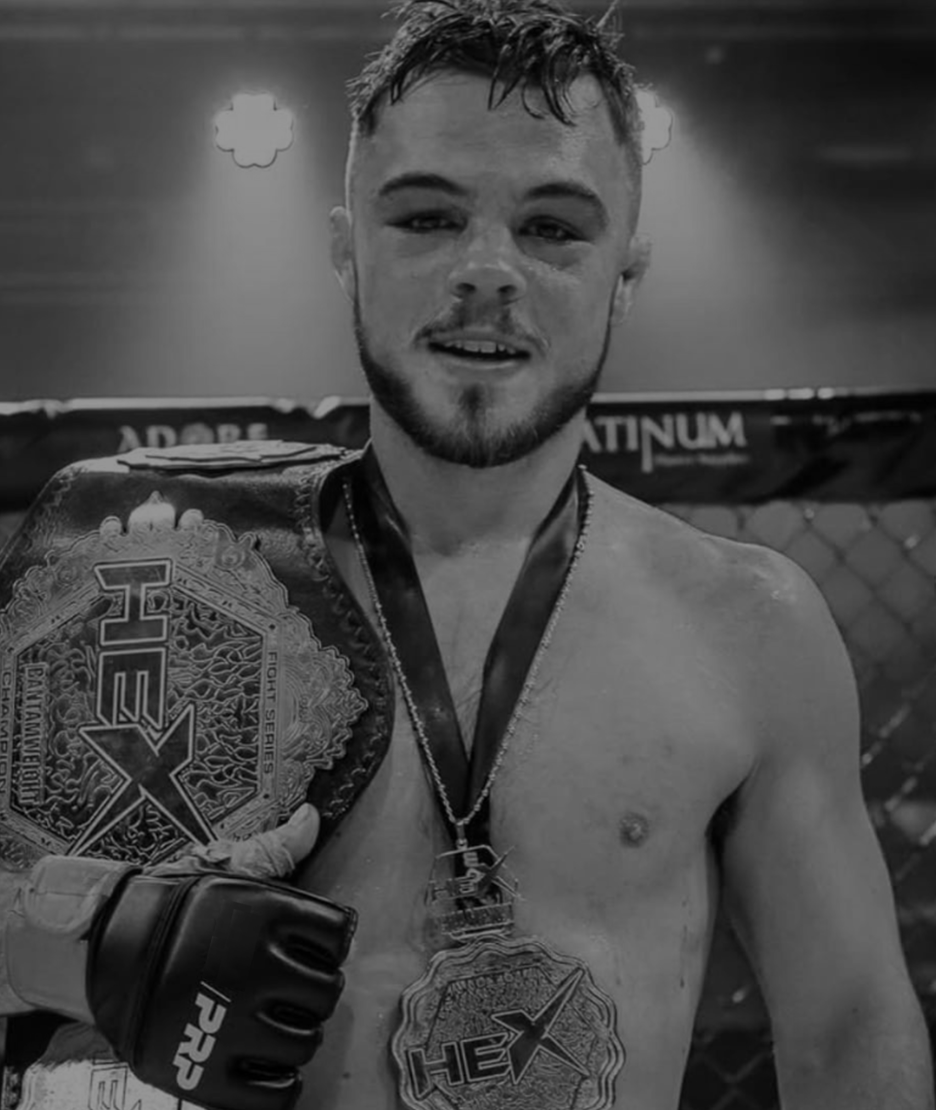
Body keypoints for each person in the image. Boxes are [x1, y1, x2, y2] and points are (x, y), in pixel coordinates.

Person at [0, 1, 933, 1109]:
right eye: (428, 218)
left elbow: (848, 1031)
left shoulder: (749, 627)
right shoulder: (164, 586)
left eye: (553, 228)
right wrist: (84, 946)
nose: (487, 270)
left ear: (628, 271)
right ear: (345, 249)